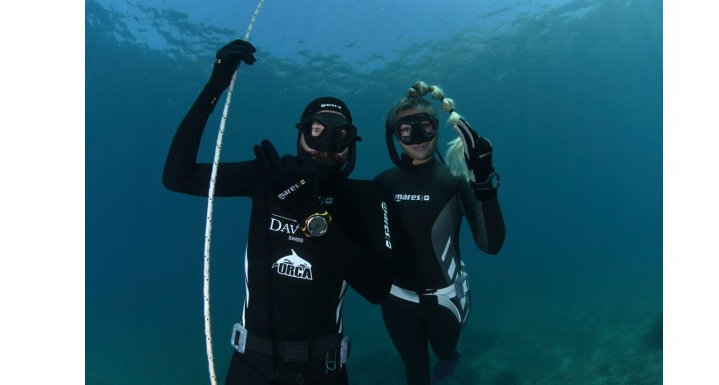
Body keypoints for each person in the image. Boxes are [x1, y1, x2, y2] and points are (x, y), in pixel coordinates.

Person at [162, 39, 394, 385]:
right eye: (316, 131)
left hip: (323, 369)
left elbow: (377, 288)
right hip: (251, 366)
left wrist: (310, 213)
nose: (326, 146)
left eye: (339, 135)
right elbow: (178, 177)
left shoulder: (362, 196)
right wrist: (215, 86)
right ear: (301, 134)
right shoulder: (266, 177)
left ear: (351, 144)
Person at [375, 81, 506, 384]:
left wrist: (483, 182)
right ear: (394, 135)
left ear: (437, 127)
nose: (417, 137)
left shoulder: (456, 180)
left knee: (445, 351)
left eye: (425, 126)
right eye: (406, 130)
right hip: (395, 301)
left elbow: (491, 245)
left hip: (446, 301)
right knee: (415, 370)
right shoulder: (382, 183)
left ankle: (450, 357)